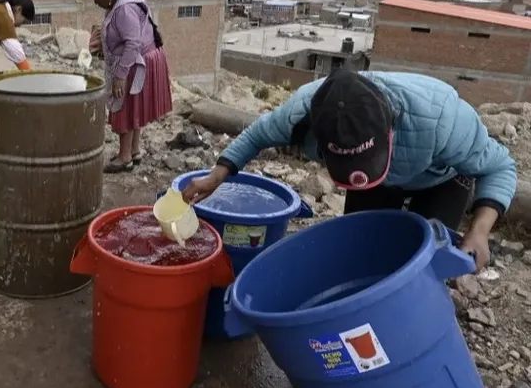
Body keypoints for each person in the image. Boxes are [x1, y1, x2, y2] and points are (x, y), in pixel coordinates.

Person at [181, 69, 517, 270]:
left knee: (426, 259)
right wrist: (217, 175)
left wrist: (479, 231)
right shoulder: (302, 110)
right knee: (361, 251)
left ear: (389, 131)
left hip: (439, 180)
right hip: (375, 183)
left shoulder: (442, 120)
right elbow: (257, 133)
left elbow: (500, 167)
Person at [76, 0, 173, 173]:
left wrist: (120, 76)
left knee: (123, 106)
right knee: (134, 106)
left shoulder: (123, 9)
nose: (94, 1)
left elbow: (132, 43)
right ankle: (135, 150)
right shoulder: (123, 0)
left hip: (136, 61)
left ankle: (124, 157)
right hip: (143, 57)